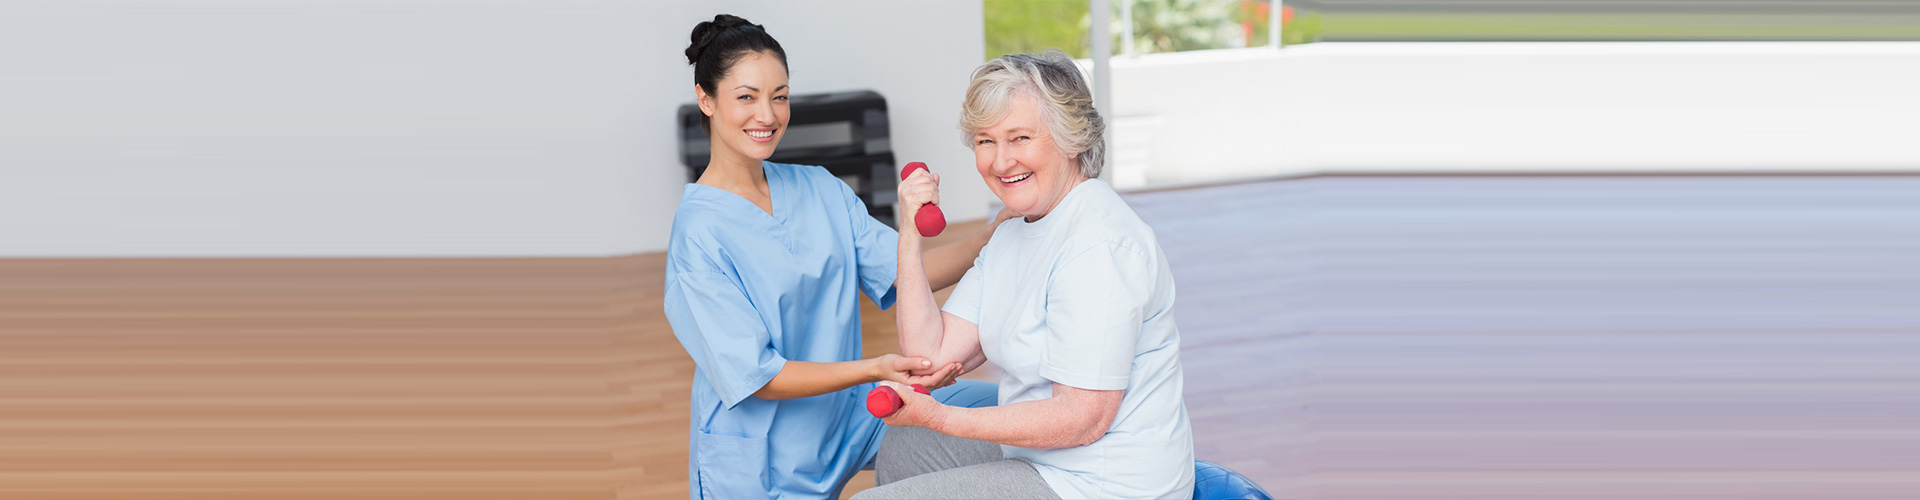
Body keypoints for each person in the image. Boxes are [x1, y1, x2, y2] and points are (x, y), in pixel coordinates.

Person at [661, 14, 1011, 500]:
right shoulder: (698, 233)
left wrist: (988, 239)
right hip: (763, 460)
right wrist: (875, 368)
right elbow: (759, 377)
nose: (767, 115)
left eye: (779, 96)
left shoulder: (819, 188)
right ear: (707, 99)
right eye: (746, 97)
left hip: (851, 417)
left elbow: (905, 274)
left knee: (1012, 407)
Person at [854, 50, 1195, 499]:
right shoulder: (1014, 231)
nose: (1000, 161)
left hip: (1105, 484)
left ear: (1070, 138)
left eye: (1020, 138)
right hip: (1043, 460)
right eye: (985, 141)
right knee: (910, 442)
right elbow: (928, 359)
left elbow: (1082, 419)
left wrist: (942, 418)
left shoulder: (1099, 247)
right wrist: (909, 233)